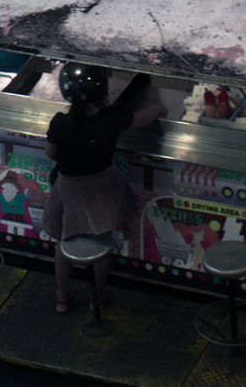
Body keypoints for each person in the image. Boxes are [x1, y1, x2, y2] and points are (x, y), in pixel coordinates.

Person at [43, 63, 164, 314]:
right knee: (101, 242)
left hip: (68, 189)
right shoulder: (112, 119)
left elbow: (51, 154)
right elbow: (143, 119)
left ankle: (61, 297)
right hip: (102, 188)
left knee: (63, 242)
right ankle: (97, 297)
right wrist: (159, 108)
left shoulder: (60, 122)